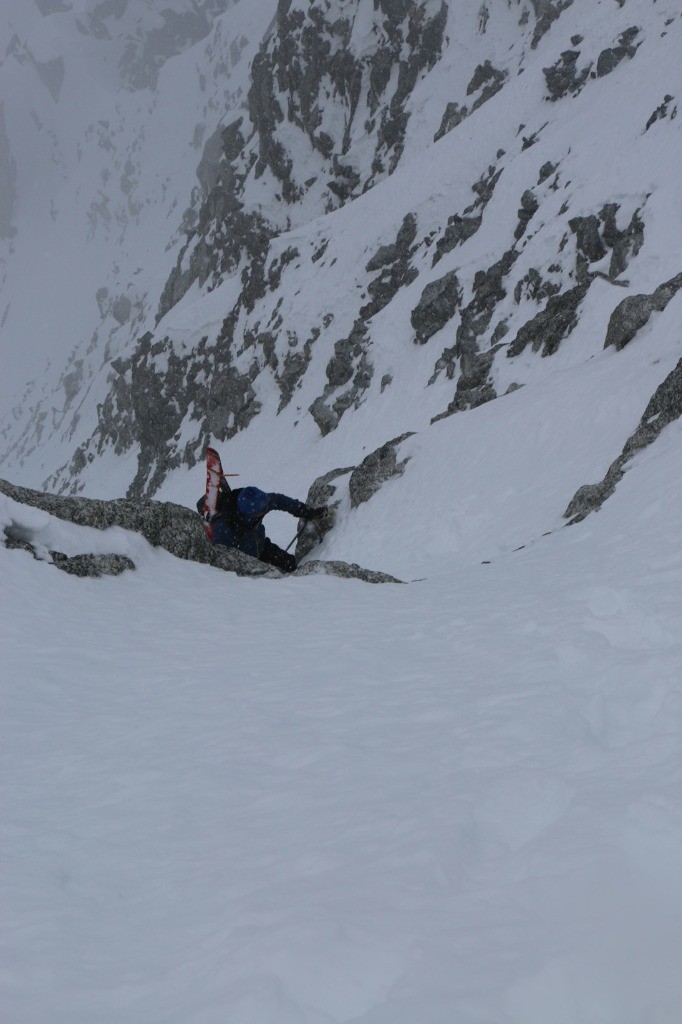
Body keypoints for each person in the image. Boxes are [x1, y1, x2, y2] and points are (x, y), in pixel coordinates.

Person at [198, 482, 327, 572]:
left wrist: (309, 512)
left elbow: (282, 501)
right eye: (263, 511)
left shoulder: (257, 501)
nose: (266, 509)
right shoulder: (224, 527)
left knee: (292, 565)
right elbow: (221, 557)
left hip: (261, 547)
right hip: (245, 562)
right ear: (250, 515)